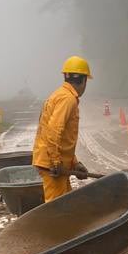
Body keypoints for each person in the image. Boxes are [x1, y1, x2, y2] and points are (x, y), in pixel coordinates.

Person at [32, 56, 91, 202]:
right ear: (83, 80)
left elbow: (61, 136)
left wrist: (74, 163)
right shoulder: (67, 99)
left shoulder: (60, 95)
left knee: (65, 205)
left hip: (55, 163)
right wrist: (56, 162)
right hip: (53, 166)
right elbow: (53, 131)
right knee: (56, 211)